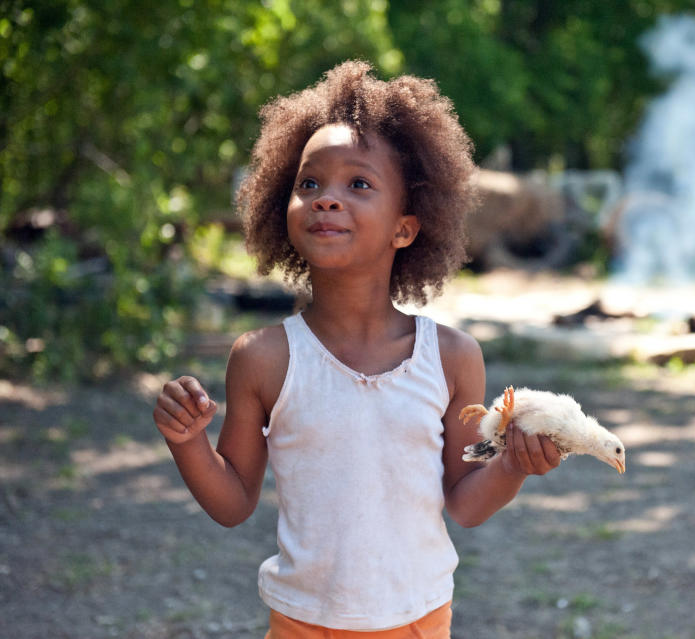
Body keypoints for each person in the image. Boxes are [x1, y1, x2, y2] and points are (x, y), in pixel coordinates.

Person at [152, 60, 562, 638]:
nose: (326, 199)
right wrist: (187, 442)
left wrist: (514, 466)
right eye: (309, 183)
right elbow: (233, 501)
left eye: (359, 184)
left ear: (405, 228)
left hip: (419, 621)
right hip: (301, 623)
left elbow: (466, 501)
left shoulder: (451, 357)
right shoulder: (263, 358)